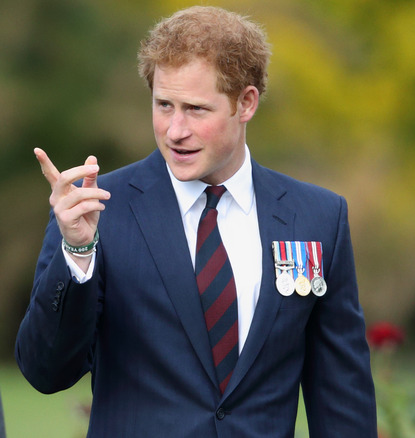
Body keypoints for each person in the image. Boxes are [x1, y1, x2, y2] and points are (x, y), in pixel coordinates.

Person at [16, 6, 377, 437]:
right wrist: (76, 252)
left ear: (246, 103)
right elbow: (45, 371)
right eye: (164, 105)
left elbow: (343, 400)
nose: (175, 130)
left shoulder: (317, 218)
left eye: (196, 109)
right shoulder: (95, 211)